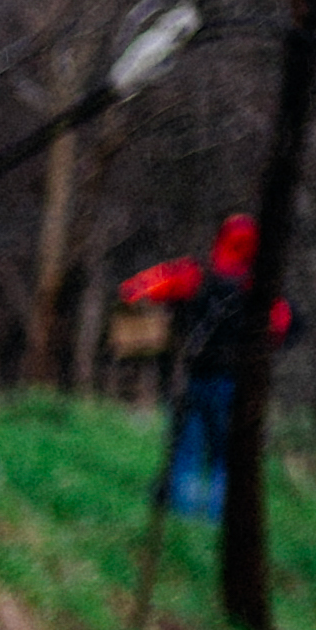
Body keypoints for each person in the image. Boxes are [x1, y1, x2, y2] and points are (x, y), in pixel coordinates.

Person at [115, 212, 287, 527]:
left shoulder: (195, 276)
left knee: (187, 452)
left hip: (194, 379)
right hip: (236, 387)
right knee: (224, 459)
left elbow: (135, 289)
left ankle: (183, 521)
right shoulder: (258, 290)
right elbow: (284, 325)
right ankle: (212, 524)